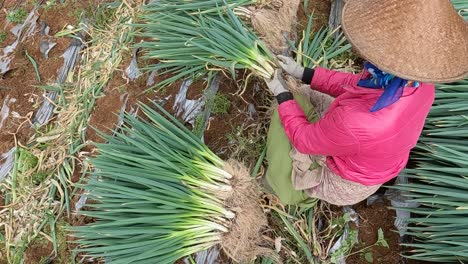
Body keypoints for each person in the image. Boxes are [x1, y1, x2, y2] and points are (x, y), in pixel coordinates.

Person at [264, 0, 468, 206]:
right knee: (305, 95)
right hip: (375, 158)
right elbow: (356, 84)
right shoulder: (419, 84)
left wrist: (281, 95)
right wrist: (305, 73)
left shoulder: (356, 121)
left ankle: (276, 187)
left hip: (345, 181)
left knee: (285, 132)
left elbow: (303, 140)